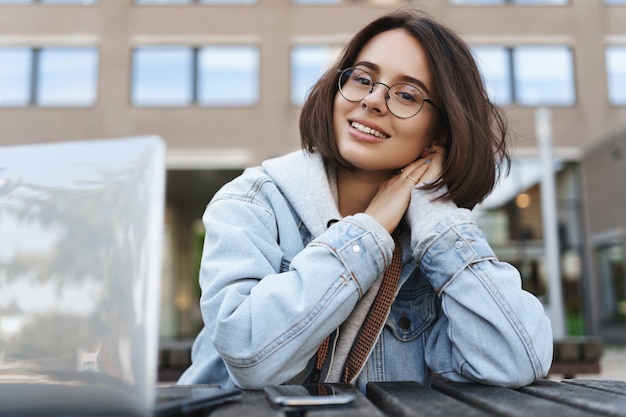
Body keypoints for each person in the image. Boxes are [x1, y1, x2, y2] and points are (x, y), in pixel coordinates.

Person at [178, 8, 553, 392]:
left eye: (407, 95)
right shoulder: (253, 202)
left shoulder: (432, 243)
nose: (373, 100)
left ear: (440, 132)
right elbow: (251, 357)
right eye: (362, 79)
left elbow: (517, 358)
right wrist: (368, 232)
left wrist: (434, 210)